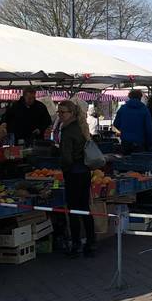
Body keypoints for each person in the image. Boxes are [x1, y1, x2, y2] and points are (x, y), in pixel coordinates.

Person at [56, 99, 95, 258]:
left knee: (73, 210)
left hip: (73, 173)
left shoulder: (68, 130)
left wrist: (64, 168)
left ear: (71, 113)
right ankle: (90, 243)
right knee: (85, 208)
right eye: (58, 112)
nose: (60, 115)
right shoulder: (81, 127)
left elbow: (67, 157)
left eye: (62, 112)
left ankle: (77, 243)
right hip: (84, 172)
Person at [113, 89, 152, 154]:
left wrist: (124, 130)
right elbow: (149, 129)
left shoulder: (123, 109)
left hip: (125, 142)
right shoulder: (145, 110)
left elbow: (116, 124)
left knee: (126, 162)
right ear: (140, 97)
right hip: (140, 143)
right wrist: (150, 144)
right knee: (138, 163)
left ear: (129, 97)